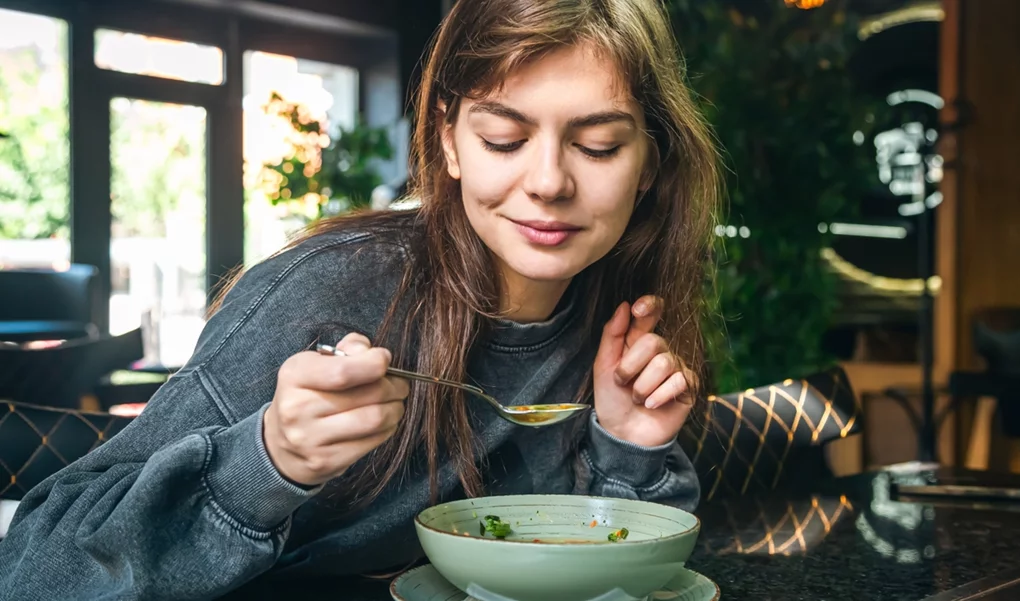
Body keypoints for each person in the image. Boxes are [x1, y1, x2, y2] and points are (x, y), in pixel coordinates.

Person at [0, 0, 721, 598]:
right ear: (448, 140)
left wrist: (628, 446)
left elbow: (622, 578)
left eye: (597, 146)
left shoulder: (619, 315)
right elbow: (35, 566)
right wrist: (269, 457)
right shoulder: (332, 292)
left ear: (650, 162)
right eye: (504, 138)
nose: (549, 181)